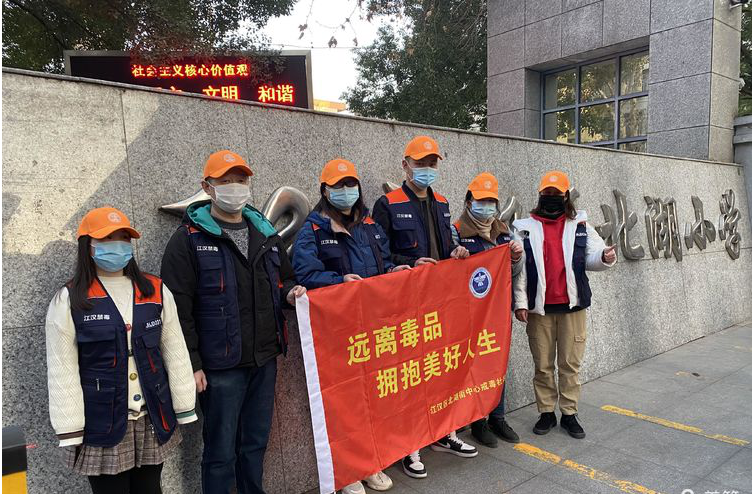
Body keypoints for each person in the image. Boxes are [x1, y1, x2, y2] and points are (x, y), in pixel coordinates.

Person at [160, 150, 306, 494]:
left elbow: (285, 279)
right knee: (220, 451)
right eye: (225, 181)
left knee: (255, 443)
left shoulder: (265, 233)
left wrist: (290, 293)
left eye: (240, 180)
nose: (235, 187)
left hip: (264, 358)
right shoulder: (189, 239)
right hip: (219, 367)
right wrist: (192, 364)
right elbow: (177, 309)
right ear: (207, 187)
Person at [45, 207, 197, 494]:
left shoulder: (155, 290)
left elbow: (175, 350)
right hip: (103, 419)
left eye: (124, 238)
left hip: (151, 415)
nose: (117, 244)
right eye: (107, 238)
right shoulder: (70, 299)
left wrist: (184, 405)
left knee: (150, 488)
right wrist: (69, 427)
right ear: (88, 245)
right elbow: (62, 368)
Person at [293, 158, 411, 494]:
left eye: (351, 184)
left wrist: (396, 271)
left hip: (376, 328)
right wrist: (339, 281)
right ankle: (347, 473)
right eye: (338, 185)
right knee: (346, 405)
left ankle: (371, 463)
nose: (346, 191)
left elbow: (385, 261)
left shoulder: (370, 225)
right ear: (325, 190)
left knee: (375, 399)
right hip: (340, 332)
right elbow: (305, 274)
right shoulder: (312, 230)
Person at [372, 135, 475, 479]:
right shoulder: (387, 204)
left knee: (442, 370)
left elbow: (447, 246)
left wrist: (456, 253)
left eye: (432, 163)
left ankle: (446, 433)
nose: (427, 169)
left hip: (440, 302)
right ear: (405, 165)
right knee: (412, 376)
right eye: (421, 163)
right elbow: (379, 255)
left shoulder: (442, 202)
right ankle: (411, 445)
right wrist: (408, 264)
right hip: (406, 304)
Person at [513, 171, 617, 439]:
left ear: (566, 196)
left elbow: (593, 255)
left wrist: (605, 257)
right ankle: (546, 412)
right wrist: (520, 303)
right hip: (540, 309)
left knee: (570, 364)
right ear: (540, 195)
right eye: (547, 193)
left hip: (573, 307)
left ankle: (569, 413)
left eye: (556, 194)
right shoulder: (524, 227)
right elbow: (520, 270)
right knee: (543, 365)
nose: (551, 197)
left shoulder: (580, 224)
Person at [450, 173, 524, 448]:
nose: (487, 206)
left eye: (491, 201)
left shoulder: (504, 232)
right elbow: (450, 273)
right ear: (469, 201)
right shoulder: (457, 231)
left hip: (499, 311)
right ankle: (478, 421)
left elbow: (514, 271)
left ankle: (498, 417)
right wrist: (457, 257)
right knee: (474, 366)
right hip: (470, 315)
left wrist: (516, 257)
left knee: (497, 362)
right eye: (481, 201)